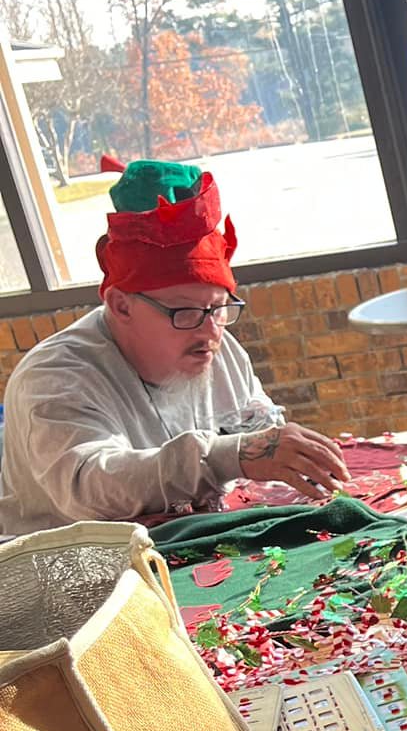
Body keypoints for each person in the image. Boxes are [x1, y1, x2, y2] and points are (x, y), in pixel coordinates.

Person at [0, 158, 347, 537]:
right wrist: (229, 455)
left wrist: (281, 451)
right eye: (185, 311)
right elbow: (88, 488)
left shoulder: (216, 345)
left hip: (193, 539)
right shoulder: (54, 377)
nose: (211, 330)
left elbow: (259, 431)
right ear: (121, 306)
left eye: (219, 307)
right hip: (75, 562)